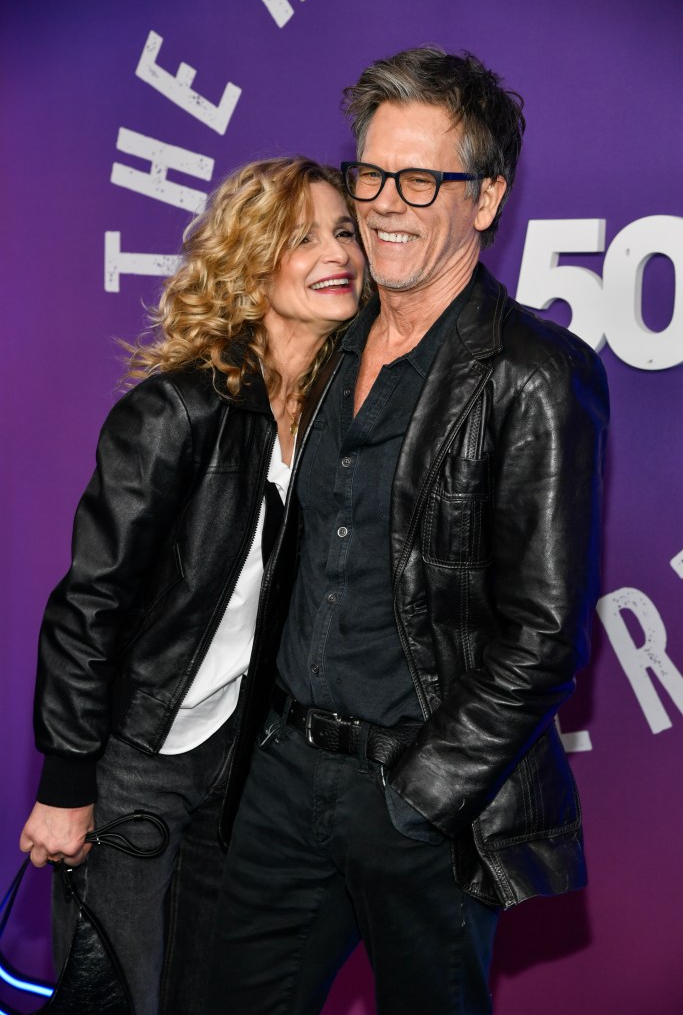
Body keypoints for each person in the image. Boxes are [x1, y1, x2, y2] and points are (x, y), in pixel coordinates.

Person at [206, 49, 609, 1014]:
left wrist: (422, 794)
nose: (385, 202)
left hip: (421, 797)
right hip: (279, 780)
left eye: (422, 177)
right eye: (371, 173)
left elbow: (546, 634)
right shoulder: (321, 340)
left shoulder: (535, 374)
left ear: (485, 198)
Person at [18, 155, 365, 1015]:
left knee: (211, 994)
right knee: (118, 993)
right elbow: (88, 606)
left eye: (346, 231)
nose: (339, 253)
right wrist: (67, 786)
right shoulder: (177, 413)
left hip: (248, 765)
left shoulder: (343, 424)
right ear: (252, 263)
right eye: (303, 236)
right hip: (138, 760)